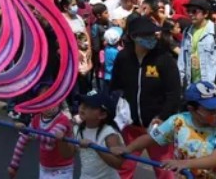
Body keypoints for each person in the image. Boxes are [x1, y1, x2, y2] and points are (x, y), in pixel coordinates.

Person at [110, 15, 180, 179]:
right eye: (147, 35)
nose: (152, 38)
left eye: (153, 34)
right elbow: (115, 86)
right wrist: (119, 108)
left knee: (165, 171)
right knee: (123, 169)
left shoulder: (164, 59)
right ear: (134, 37)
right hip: (130, 127)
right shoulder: (123, 58)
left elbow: (174, 93)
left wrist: (162, 117)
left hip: (158, 129)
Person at [111, 81, 216, 178]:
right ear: (191, 109)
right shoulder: (178, 122)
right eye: (210, 110)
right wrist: (128, 149)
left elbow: (213, 159)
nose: (214, 113)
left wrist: (185, 163)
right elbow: (150, 138)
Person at [8, 84, 75, 178]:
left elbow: (50, 137)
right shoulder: (36, 119)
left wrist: (28, 131)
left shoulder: (63, 120)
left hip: (62, 170)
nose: (49, 105)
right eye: (44, 101)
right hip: (44, 168)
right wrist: (14, 165)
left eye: (53, 100)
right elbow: (22, 141)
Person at [75, 91, 124, 179]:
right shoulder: (78, 129)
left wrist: (95, 147)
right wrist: (62, 139)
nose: (82, 107)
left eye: (90, 106)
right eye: (81, 103)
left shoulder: (109, 134)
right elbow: (67, 154)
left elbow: (118, 163)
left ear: (102, 115)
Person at [179, 0, 216, 89]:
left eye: (194, 11)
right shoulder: (187, 31)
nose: (191, 14)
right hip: (191, 85)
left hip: (210, 85)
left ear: (206, 14)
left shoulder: (213, 31)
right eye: (188, 11)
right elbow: (182, 59)